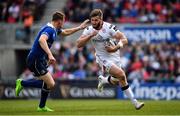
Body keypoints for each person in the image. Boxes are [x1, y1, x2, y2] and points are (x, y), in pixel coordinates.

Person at [15, 11, 89, 112]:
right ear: (59, 21)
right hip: (35, 59)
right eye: (63, 21)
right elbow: (42, 40)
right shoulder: (49, 29)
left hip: (39, 59)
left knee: (48, 83)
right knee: (51, 84)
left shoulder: (54, 29)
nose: (63, 24)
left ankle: (41, 107)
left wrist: (79, 28)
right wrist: (50, 54)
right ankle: (23, 83)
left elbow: (66, 32)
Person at [76, 9, 144, 110]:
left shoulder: (109, 27)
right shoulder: (89, 30)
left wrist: (116, 48)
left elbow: (124, 39)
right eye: (92, 20)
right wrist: (90, 35)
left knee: (118, 80)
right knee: (121, 75)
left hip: (115, 56)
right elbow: (78, 44)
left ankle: (104, 80)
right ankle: (135, 103)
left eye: (96, 20)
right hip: (102, 58)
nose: (94, 22)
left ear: (101, 19)